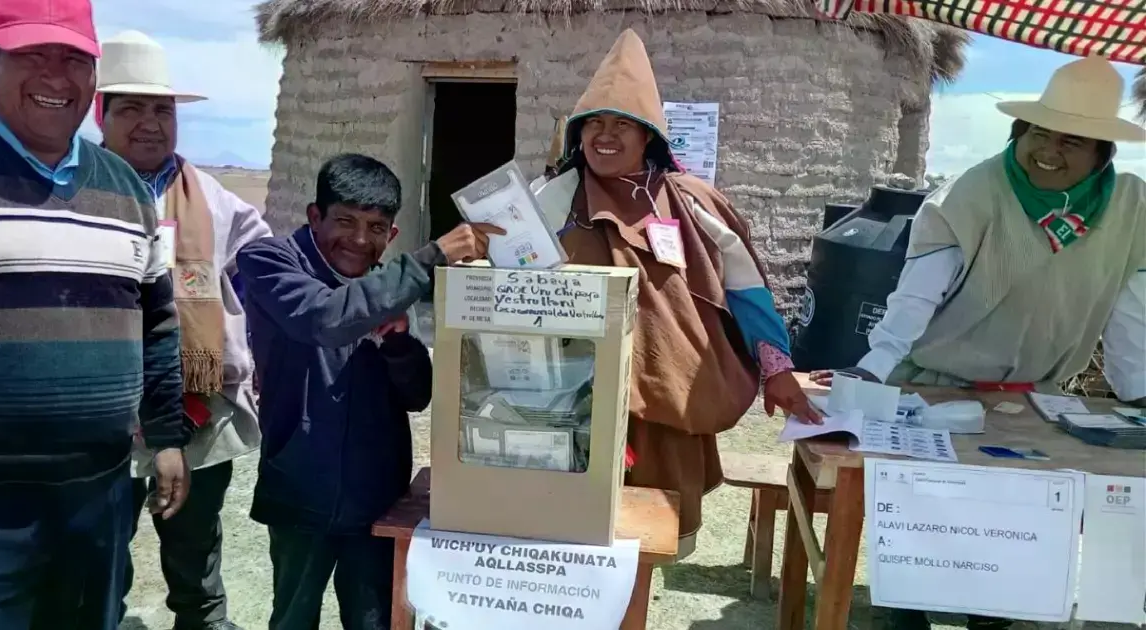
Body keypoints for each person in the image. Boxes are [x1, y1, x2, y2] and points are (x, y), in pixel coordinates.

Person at [810, 55, 1145, 630]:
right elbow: (918, 293)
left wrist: (1138, 394)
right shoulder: (973, 191)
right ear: (1020, 131)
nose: (1049, 151)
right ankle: (906, 610)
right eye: (1040, 133)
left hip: (1036, 392)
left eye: (1072, 142)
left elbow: (1128, 307)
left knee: (1012, 527)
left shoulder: (1130, 208)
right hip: (935, 384)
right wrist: (877, 363)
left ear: (1101, 153)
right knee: (924, 516)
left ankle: (991, 614)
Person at [0, 1, 188, 629]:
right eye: (33, 56)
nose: (57, 77)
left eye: (74, 60)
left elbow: (156, 324)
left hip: (97, 497)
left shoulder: (127, 188)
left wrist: (164, 438)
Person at [537, 29, 821, 561]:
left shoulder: (692, 201)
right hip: (573, 397)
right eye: (595, 123)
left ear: (649, 136)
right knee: (570, 538)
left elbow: (746, 289)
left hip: (668, 396)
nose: (606, 135)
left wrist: (777, 368)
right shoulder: (552, 196)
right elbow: (508, 272)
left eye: (623, 124)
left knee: (648, 538)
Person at [237, 153, 502, 629]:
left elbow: (416, 394)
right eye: (346, 221)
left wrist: (398, 341)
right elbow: (325, 318)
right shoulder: (269, 261)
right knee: (293, 618)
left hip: (375, 498)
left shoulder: (388, 286)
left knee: (375, 620)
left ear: (391, 235)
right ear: (315, 216)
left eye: (377, 227)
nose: (360, 240)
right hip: (300, 488)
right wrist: (432, 257)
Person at [96, 31, 272, 630]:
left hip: (197, 411)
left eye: (162, 110)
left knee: (195, 551)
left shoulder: (215, 201)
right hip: (103, 416)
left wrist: (246, 350)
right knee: (99, 555)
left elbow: (264, 274)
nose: (150, 123)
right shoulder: (72, 191)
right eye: (132, 108)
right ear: (102, 113)